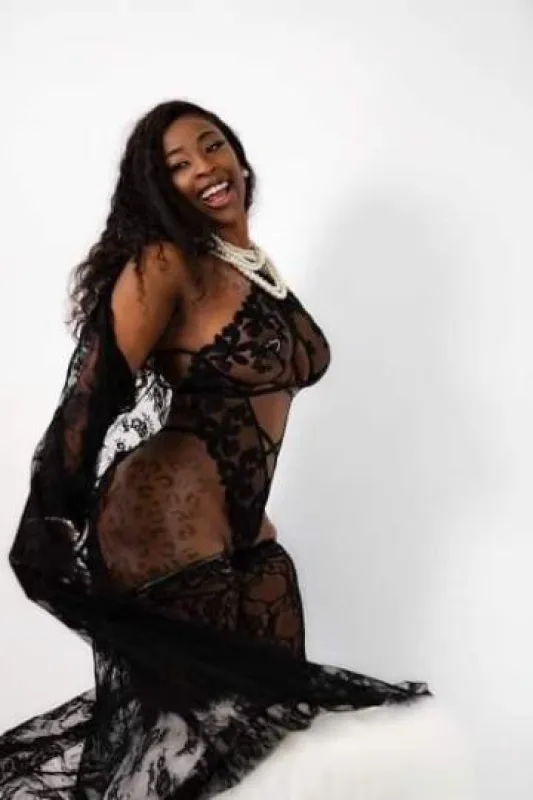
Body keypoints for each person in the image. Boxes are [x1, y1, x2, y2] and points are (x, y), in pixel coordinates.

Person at [0, 100, 429, 799]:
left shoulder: (253, 265)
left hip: (241, 534)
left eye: (212, 145)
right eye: (178, 164)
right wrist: (52, 520)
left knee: (268, 744)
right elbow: (90, 397)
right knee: (180, 758)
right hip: (162, 526)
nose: (204, 167)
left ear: (238, 155)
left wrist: (241, 513)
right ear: (158, 187)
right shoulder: (165, 263)